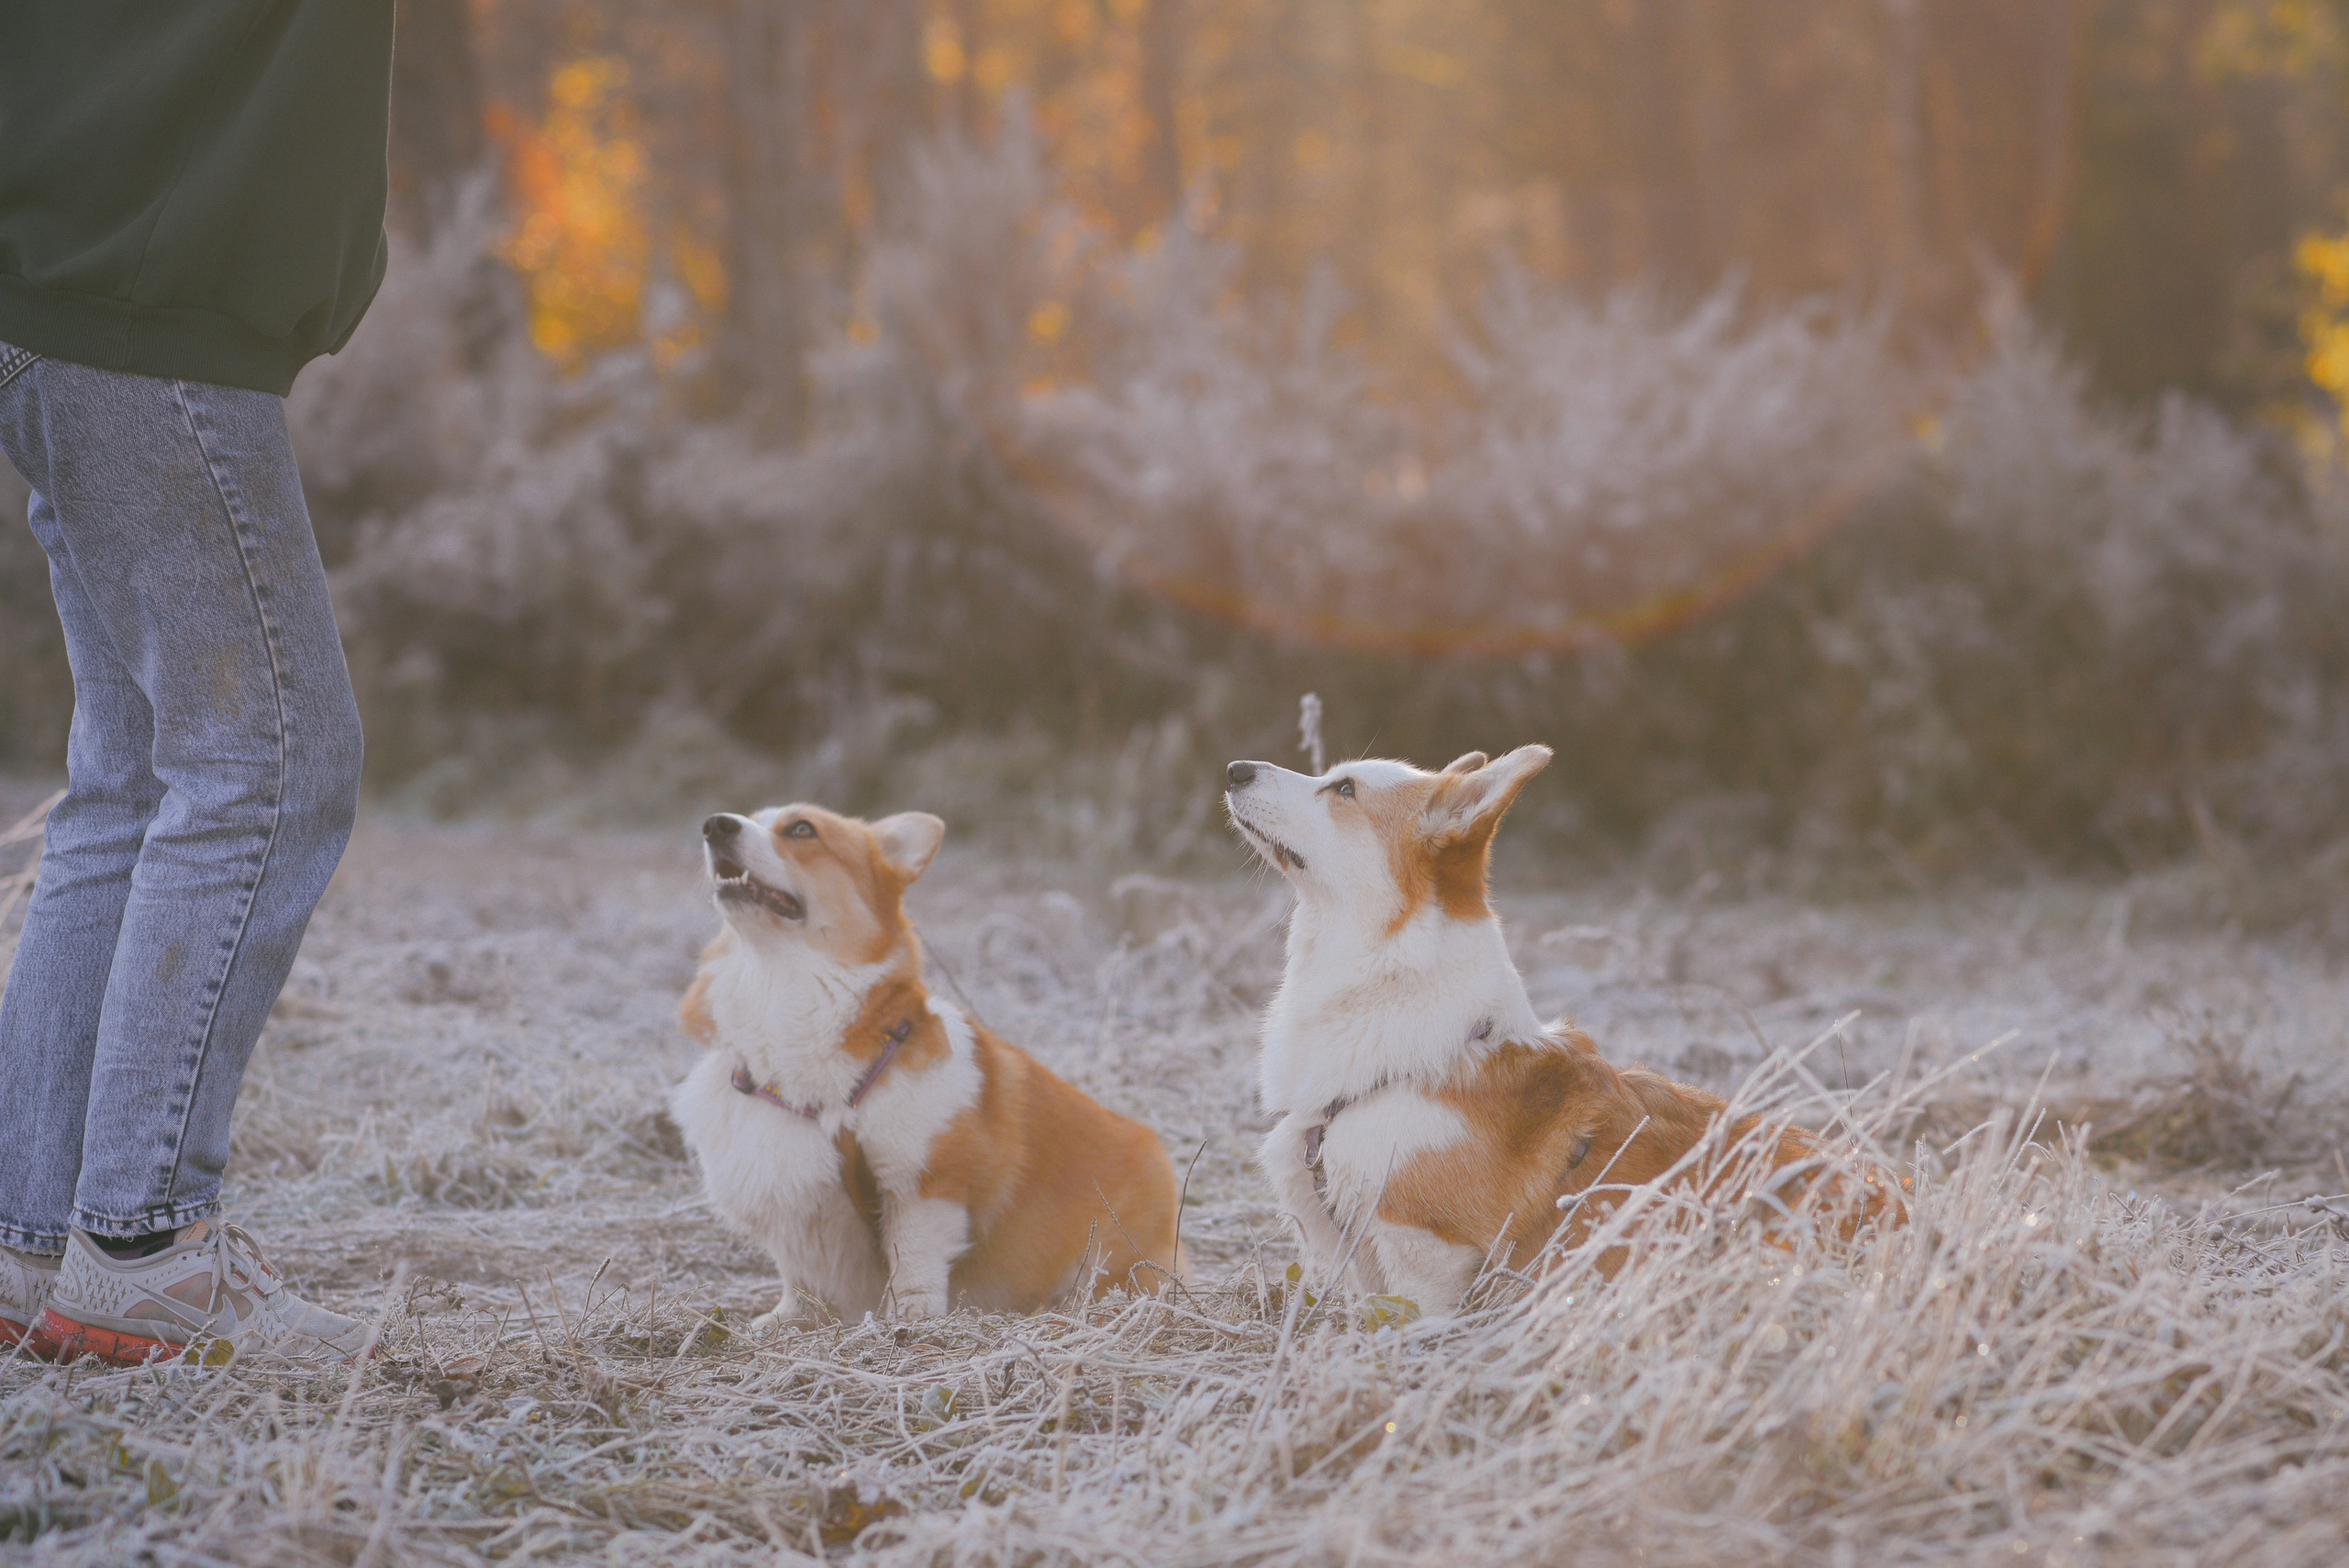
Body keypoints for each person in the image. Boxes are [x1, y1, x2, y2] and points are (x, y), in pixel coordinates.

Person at [0, 3, 396, 1364]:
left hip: (67, 296)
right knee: (269, 763)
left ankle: (27, 1238)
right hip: (143, 318)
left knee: (128, 776)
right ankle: (147, 1247)